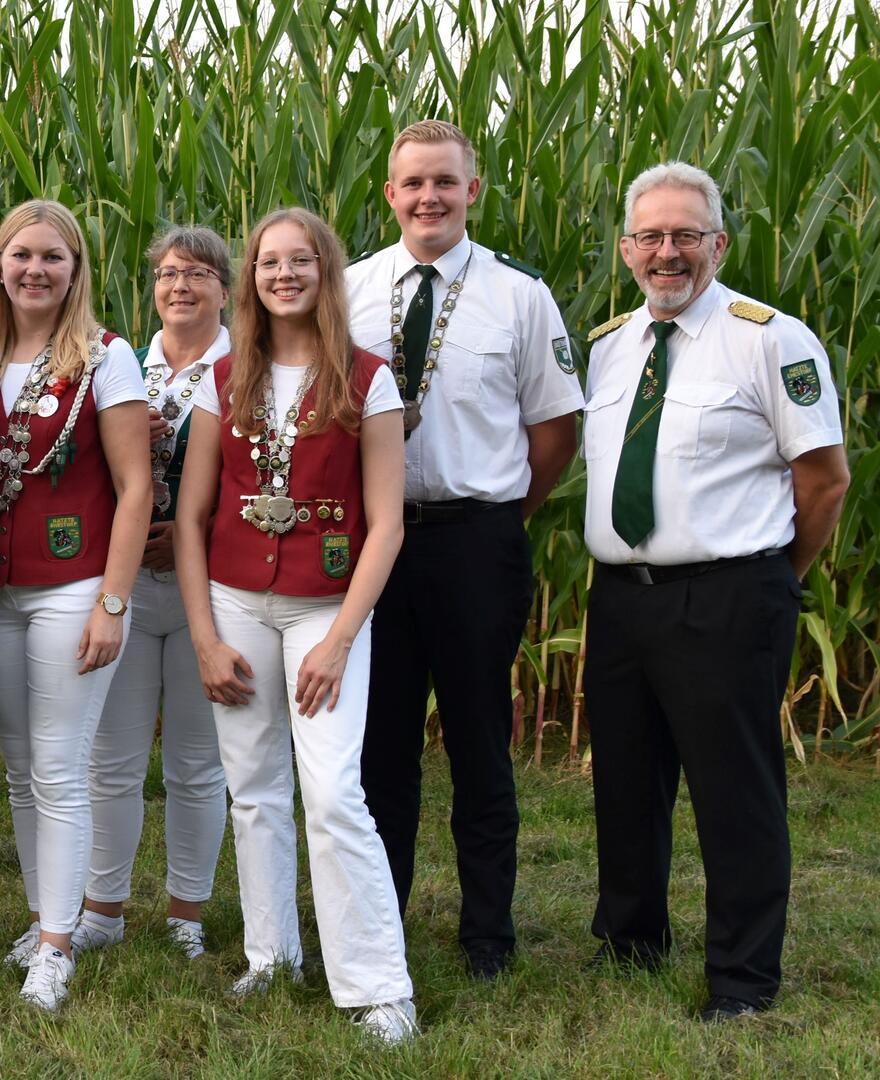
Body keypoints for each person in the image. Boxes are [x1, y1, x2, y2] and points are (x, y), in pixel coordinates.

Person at [581, 161, 848, 1022]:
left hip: (728, 596)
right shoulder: (609, 345)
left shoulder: (769, 338)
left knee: (734, 794)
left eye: (686, 235)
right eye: (651, 237)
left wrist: (774, 579)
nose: (668, 252)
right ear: (627, 250)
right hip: (621, 596)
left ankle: (741, 978)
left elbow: (825, 479)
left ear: (718, 244)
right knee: (626, 783)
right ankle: (630, 944)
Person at [345, 119, 584, 978]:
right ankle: (383, 921)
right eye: (412, 183)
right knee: (382, 745)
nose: (428, 198)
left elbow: (555, 427)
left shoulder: (519, 295)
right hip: (377, 543)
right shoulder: (351, 288)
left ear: (472, 192)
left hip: (477, 539)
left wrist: (506, 512)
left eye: (445, 182)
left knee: (480, 740)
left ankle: (488, 934)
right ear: (390, 193)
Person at [174, 207, 418, 1044]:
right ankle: (272, 955)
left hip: (326, 610)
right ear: (252, 276)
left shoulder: (367, 377)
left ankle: (379, 986)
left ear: (325, 271)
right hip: (238, 606)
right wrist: (205, 638)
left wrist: (342, 638)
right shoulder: (222, 377)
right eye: (269, 261)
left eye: (300, 260)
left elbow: (386, 523)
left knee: (334, 793)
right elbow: (193, 516)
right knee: (254, 791)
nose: (284, 274)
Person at [0, 199, 149, 1011]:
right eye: (20, 254)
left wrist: (112, 600)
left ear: (77, 270)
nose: (35, 270)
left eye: (53, 257)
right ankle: (46, 918)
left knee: (61, 765)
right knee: (20, 770)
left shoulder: (105, 358)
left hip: (75, 584)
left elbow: (137, 487)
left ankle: (58, 948)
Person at [78, 226, 232, 963]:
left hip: (212, 591)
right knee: (112, 758)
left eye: (198, 273)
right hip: (128, 585)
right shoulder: (119, 366)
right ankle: (102, 909)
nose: (180, 286)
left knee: (197, 764)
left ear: (226, 289)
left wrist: (200, 536)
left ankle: (186, 915)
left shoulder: (247, 371)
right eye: (169, 273)